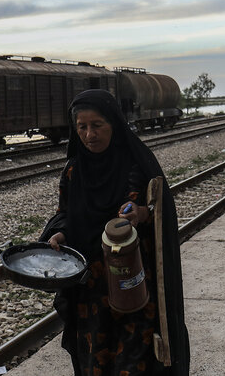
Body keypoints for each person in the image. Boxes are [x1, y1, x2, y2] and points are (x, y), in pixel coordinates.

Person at [39, 89, 190, 375]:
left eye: (97, 125)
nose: (89, 134)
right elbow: (64, 215)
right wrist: (59, 234)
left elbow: (158, 211)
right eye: (81, 127)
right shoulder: (73, 171)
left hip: (132, 283)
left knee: (134, 362)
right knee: (94, 360)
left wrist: (143, 213)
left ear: (114, 124)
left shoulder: (136, 166)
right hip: (89, 291)